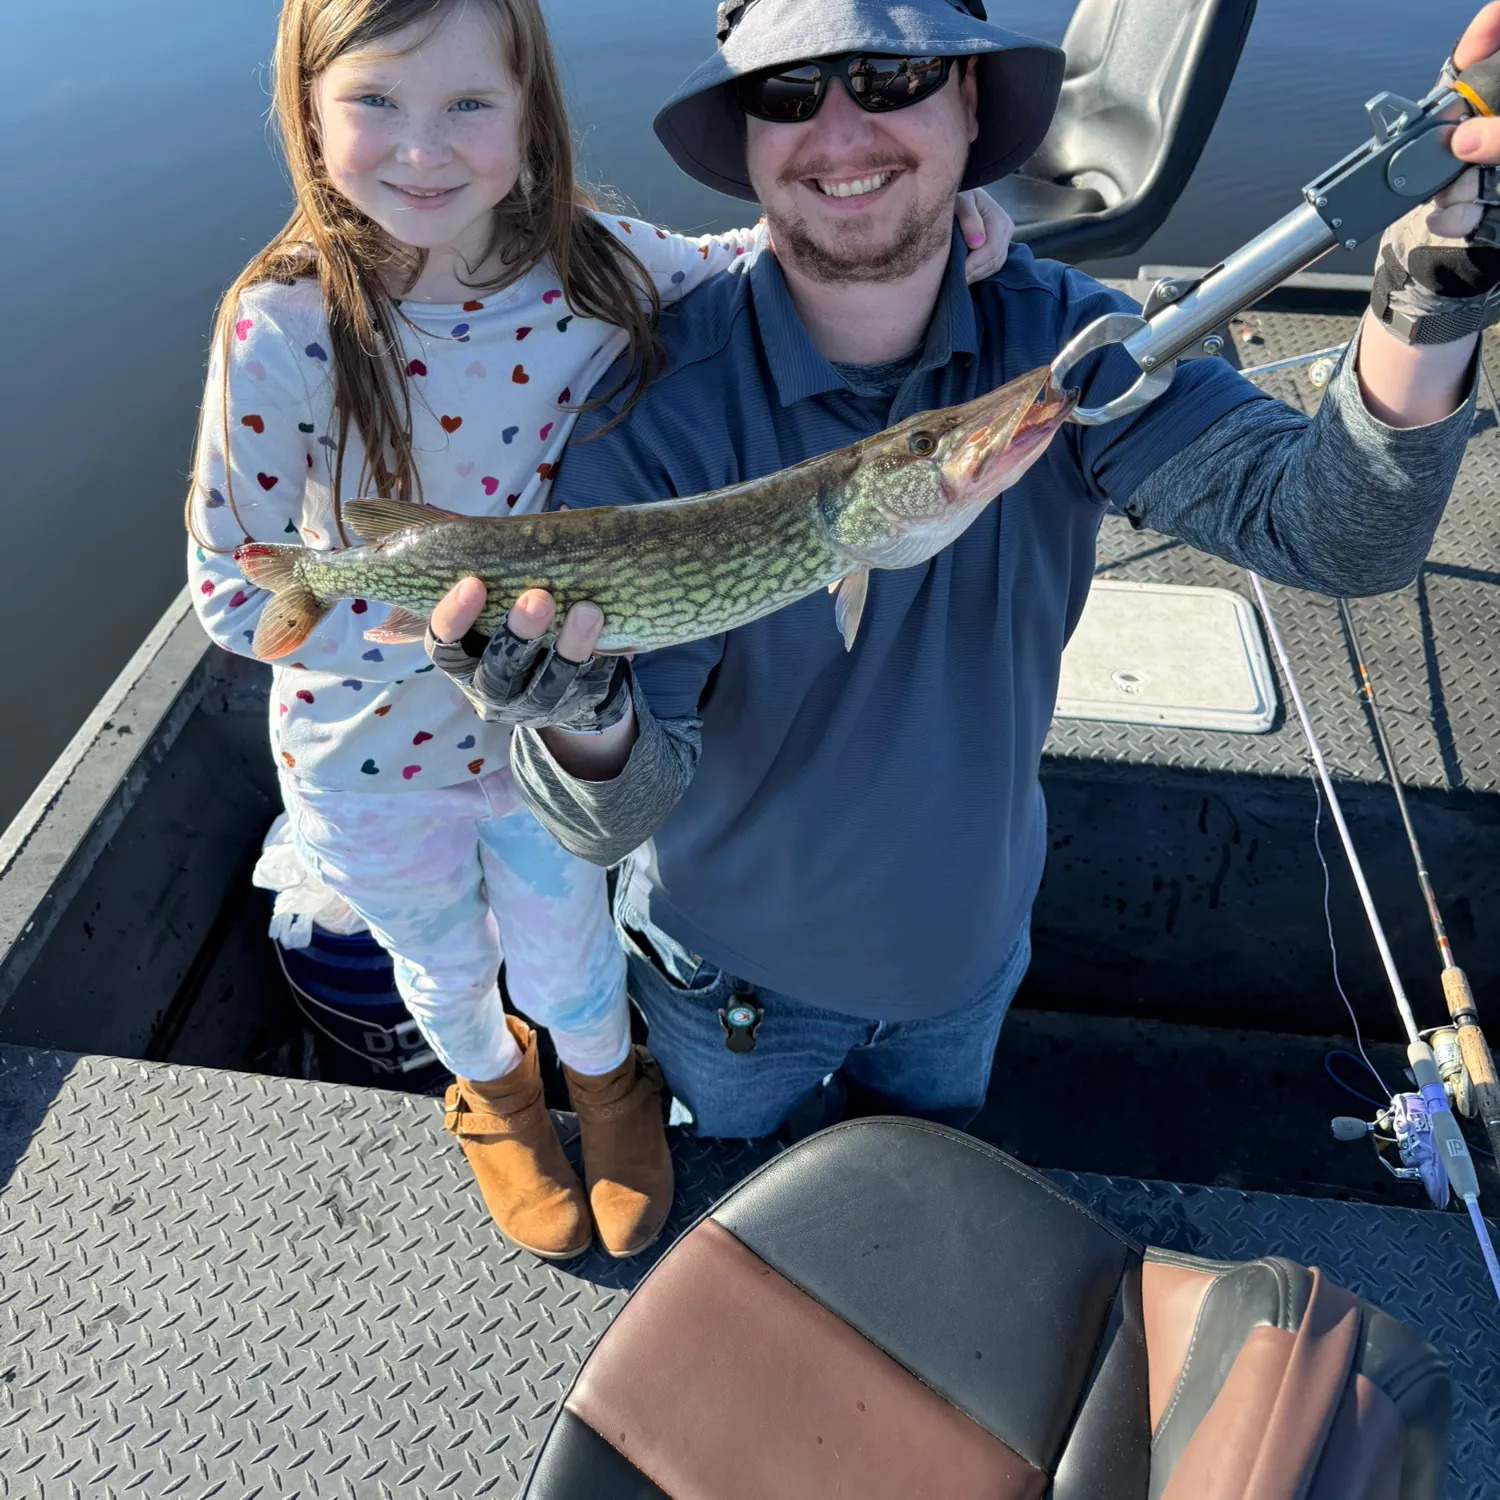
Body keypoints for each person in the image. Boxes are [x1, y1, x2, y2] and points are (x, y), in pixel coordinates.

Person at [427, 0, 1500, 1141]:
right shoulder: (655, 418)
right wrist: (580, 715)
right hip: (728, 981)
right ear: (746, 134)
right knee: (736, 1192)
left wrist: (1435, 279)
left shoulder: (1072, 352)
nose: (843, 133)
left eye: (892, 77)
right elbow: (608, 821)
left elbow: (1339, 537)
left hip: (969, 961)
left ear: (970, 100)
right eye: (789, 90)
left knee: (923, 1185)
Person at [188, 0, 1004, 1260]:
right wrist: (418, 632)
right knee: (438, 963)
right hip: (363, 754)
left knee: (572, 956)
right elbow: (234, 590)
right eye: (376, 103)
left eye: (469, 103)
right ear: (308, 111)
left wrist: (943, 216)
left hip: (543, 738)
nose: (423, 148)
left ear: (531, 115)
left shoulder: (601, 266)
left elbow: (754, 255)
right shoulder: (280, 325)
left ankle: (609, 1088)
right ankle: (496, 1096)